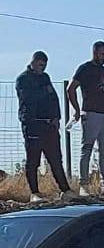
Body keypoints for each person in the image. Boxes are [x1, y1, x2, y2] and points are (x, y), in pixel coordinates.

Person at [15, 51, 71, 204]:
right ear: (33, 62)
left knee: (55, 159)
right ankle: (34, 192)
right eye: (40, 64)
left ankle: (66, 190)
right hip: (33, 124)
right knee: (33, 160)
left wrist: (57, 117)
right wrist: (42, 92)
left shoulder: (45, 78)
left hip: (49, 125)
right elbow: (28, 98)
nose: (42, 67)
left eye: (45, 65)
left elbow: (53, 97)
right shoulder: (23, 79)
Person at [67, 41, 104, 198]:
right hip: (90, 113)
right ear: (95, 53)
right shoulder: (84, 69)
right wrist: (76, 109)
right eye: (102, 54)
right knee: (87, 149)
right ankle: (84, 185)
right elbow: (71, 89)